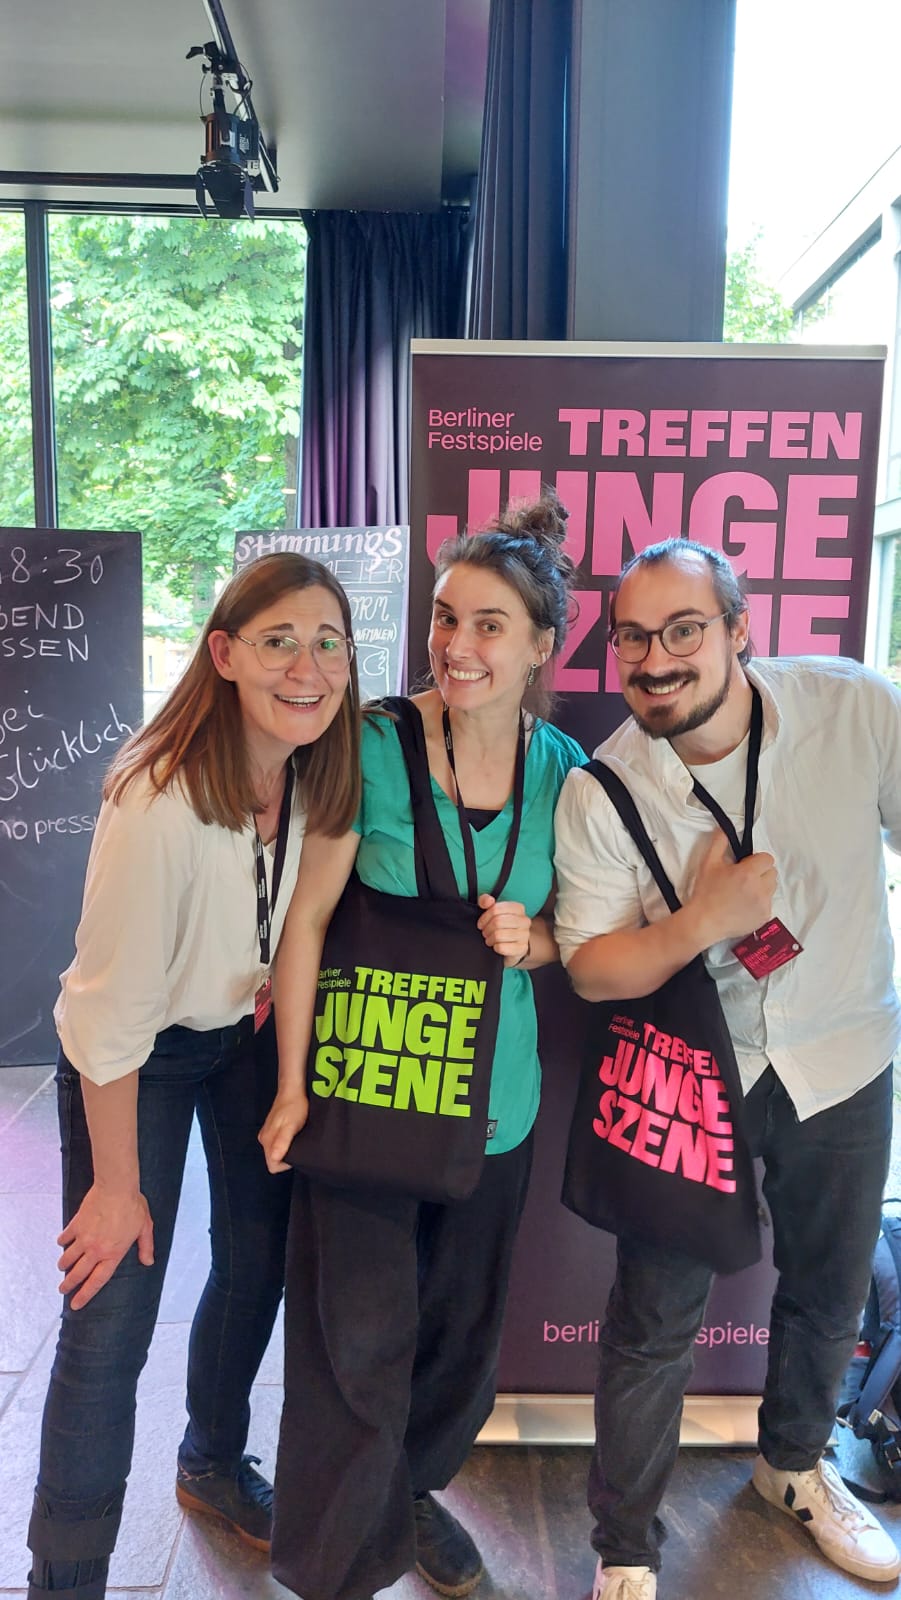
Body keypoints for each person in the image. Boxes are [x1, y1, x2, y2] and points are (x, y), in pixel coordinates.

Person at [553, 537, 901, 1600]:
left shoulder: (852, 708)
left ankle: (792, 1467)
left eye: (682, 630)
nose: (654, 660)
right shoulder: (603, 786)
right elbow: (591, 968)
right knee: (653, 1317)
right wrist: (703, 920)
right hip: (694, 1077)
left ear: (739, 629)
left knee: (830, 1286)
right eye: (632, 638)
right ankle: (624, 1542)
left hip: (844, 1053)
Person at [258, 493, 586, 1600]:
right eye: (446, 617)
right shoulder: (370, 742)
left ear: (541, 645)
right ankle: (338, 1562)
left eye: (489, 624)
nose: (456, 644)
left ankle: (408, 1494)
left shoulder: (563, 770)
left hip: (495, 1102)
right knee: (354, 1339)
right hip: (367, 1086)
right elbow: (305, 919)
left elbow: (581, 934)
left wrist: (534, 940)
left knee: (459, 1337)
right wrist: (291, 1087)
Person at [26, 553, 361, 1600]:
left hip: (243, 1033)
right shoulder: (157, 799)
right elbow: (107, 1017)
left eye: (329, 643)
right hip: (139, 1054)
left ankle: (211, 1461)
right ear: (222, 653)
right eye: (278, 642)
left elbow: (290, 926)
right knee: (112, 1309)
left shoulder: (315, 770)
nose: (308, 668)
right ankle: (68, 1573)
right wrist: (115, 1185)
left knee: (259, 1258)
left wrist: (282, 1057)